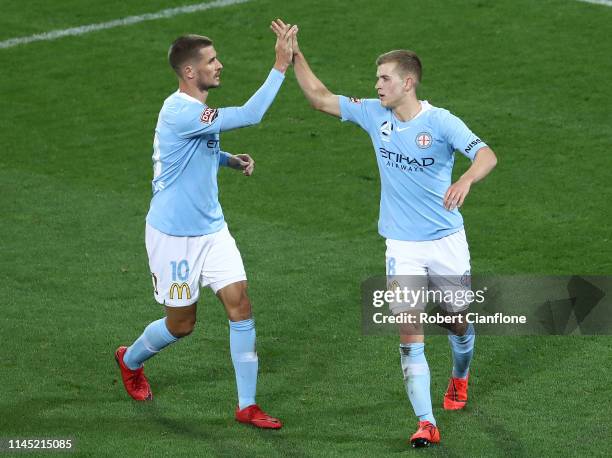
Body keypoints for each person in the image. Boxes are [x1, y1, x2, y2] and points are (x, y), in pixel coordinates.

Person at [272, 19, 497, 447]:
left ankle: (460, 376)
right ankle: (426, 421)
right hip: (402, 245)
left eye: (384, 78)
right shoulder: (374, 114)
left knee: (455, 321)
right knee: (409, 329)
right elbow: (320, 99)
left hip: (446, 241)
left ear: (407, 82)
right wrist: (294, 55)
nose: (376, 85)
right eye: (377, 78)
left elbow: (486, 155)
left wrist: (466, 180)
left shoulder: (442, 122)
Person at [115, 24, 297, 430]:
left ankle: (247, 405)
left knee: (240, 303)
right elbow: (250, 114)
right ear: (190, 73)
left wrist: (230, 160)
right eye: (211, 61)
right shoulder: (180, 111)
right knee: (182, 324)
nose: (220, 65)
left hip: (213, 231)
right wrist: (280, 66)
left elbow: (200, 148)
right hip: (174, 239)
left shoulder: (196, 115)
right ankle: (130, 360)